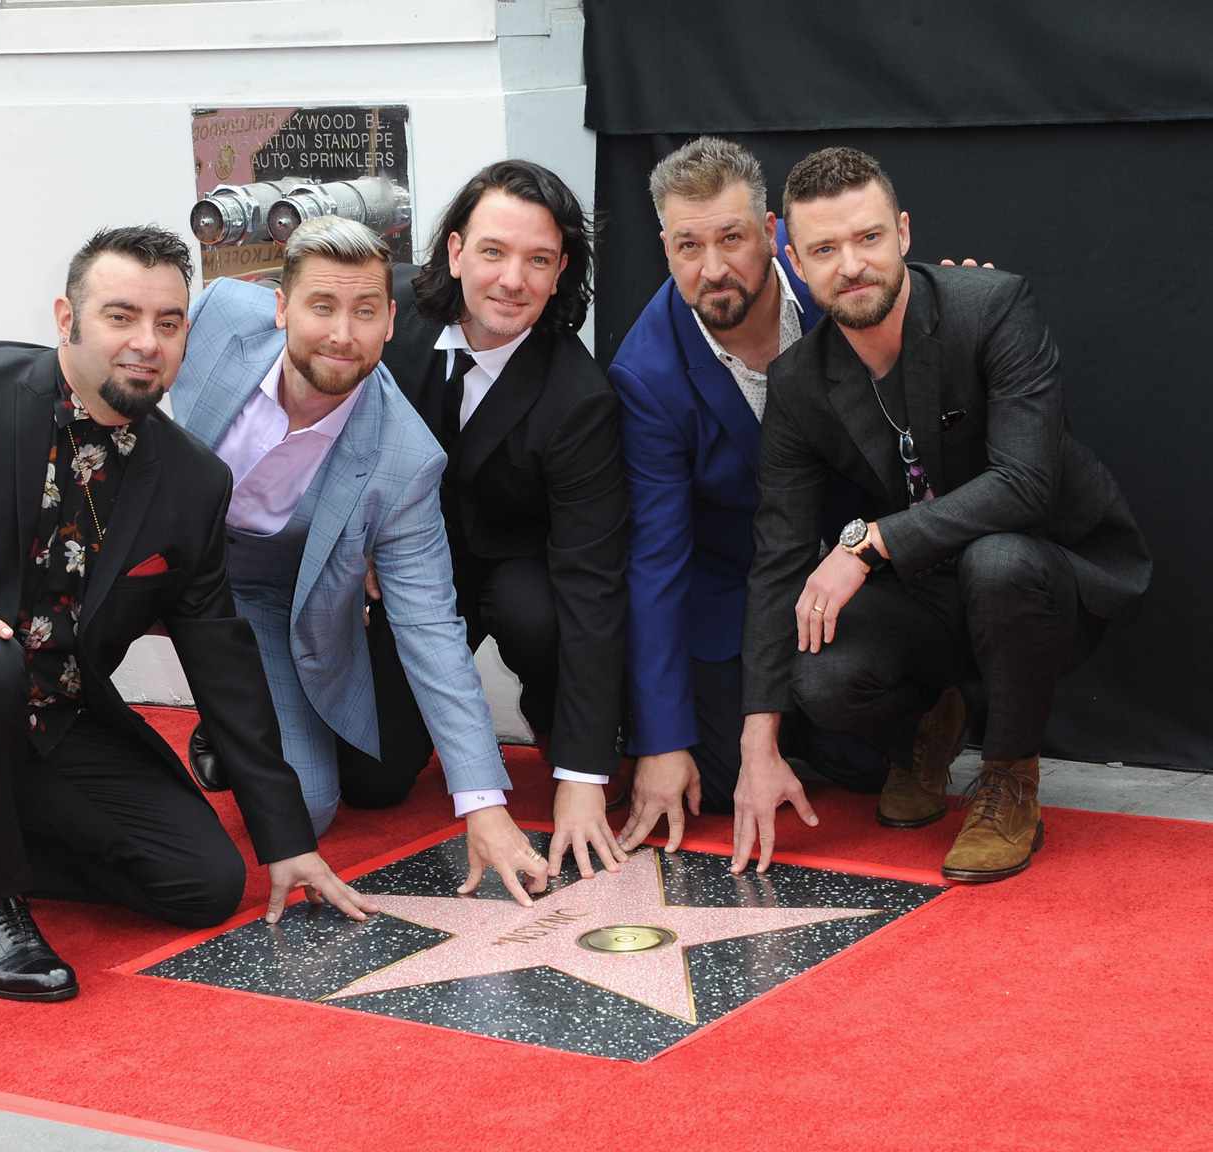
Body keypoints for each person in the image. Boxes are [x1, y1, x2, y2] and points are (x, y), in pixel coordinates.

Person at [0, 224, 376, 1003]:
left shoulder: (192, 481)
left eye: (168, 322)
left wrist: (286, 839)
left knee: (204, 883)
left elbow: (222, 655)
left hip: (52, 717)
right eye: (121, 316)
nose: (146, 343)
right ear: (66, 319)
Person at [733, 148, 1151, 881]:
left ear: (902, 232)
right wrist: (757, 745)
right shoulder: (799, 382)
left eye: (867, 238)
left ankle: (1009, 778)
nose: (852, 264)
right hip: (929, 591)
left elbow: (1024, 484)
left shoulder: (991, 307)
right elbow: (778, 554)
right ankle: (930, 726)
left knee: (1000, 561)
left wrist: (867, 545)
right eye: (825, 249)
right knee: (820, 675)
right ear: (795, 262)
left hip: (1050, 574)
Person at [172, 216, 550, 905]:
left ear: (389, 323)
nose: (342, 334)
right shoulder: (218, 316)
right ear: (281, 306)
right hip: (150, 555)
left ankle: (228, 726)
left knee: (305, 811)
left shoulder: (404, 457)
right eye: (321, 306)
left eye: (364, 311)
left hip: (257, 600)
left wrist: (485, 806)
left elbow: (432, 628)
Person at [609, 136, 890, 855]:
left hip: (861, 570)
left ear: (772, 235)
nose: (713, 269)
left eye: (732, 238)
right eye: (687, 245)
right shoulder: (645, 371)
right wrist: (660, 741)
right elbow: (658, 559)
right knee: (711, 777)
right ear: (665, 248)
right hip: (732, 592)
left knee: (869, 757)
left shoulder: (836, 285)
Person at [378, 160, 630, 878]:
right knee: (372, 783)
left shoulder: (580, 396)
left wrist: (585, 777)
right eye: (493, 252)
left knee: (537, 609)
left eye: (538, 260)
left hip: (523, 575)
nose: (512, 279)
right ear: (455, 252)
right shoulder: (385, 320)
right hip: (402, 572)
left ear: (561, 274)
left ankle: (561, 734)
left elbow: (592, 581)